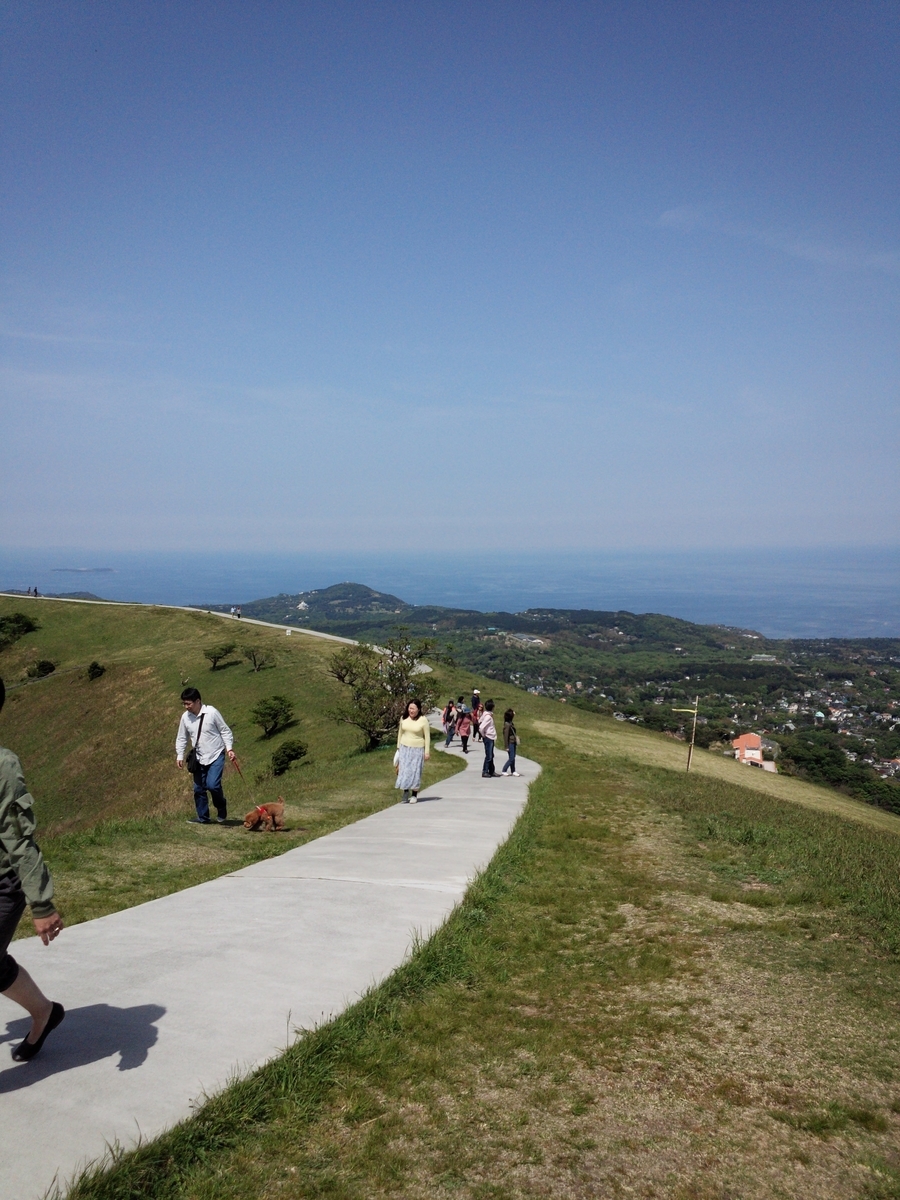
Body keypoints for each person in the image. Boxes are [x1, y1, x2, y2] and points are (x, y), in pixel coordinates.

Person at [0, 678, 66, 1062]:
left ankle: (44, 1013)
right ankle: (44, 1011)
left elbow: (19, 840)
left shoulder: (3, 766)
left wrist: (41, 904)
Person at [175, 688, 237, 824]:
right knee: (198, 789)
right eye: (184, 704)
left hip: (216, 754)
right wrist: (179, 755)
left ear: (198, 701)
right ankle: (203, 818)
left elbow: (225, 731)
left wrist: (229, 749)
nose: (186, 707)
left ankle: (221, 807)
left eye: (188, 704)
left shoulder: (212, 712)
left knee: (213, 785)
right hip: (199, 757)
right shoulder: (185, 717)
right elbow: (181, 737)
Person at [395, 698, 430, 803]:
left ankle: (414, 794)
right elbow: (400, 733)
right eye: (410, 708)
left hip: (417, 749)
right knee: (404, 770)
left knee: (415, 771)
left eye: (413, 709)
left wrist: (427, 751)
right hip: (404, 748)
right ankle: (405, 791)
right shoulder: (403, 718)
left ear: (418, 709)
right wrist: (398, 748)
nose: (411, 711)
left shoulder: (423, 720)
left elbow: (427, 737)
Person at [479, 699, 497, 777]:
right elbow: (481, 727)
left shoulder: (485, 715)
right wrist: (483, 735)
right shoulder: (488, 717)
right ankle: (485, 771)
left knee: (491, 755)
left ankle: (491, 770)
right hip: (488, 737)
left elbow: (479, 720)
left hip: (489, 737)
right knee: (489, 756)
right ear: (492, 707)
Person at [501, 708, 521, 776]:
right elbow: (505, 736)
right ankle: (504, 770)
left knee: (513, 757)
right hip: (510, 743)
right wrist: (506, 746)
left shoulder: (510, 723)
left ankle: (513, 770)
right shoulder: (507, 725)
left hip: (513, 742)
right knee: (511, 758)